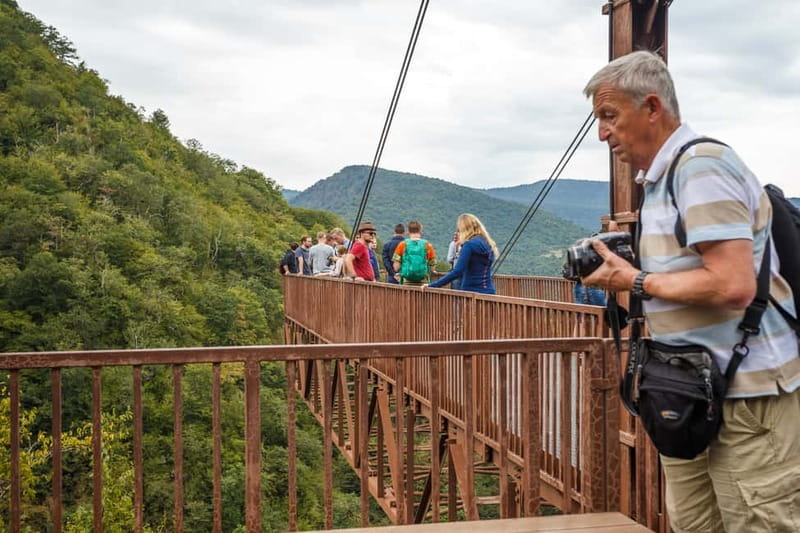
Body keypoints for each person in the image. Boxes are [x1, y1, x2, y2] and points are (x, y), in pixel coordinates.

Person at [581, 50, 800, 532]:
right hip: (690, 389)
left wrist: (632, 281)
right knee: (696, 525)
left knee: (756, 523)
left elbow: (731, 283)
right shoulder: (659, 180)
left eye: (609, 116)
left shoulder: (700, 165)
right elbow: (693, 273)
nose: (602, 134)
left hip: (747, 396)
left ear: (653, 107)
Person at [424, 214, 497, 294]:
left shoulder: (469, 245)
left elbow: (457, 271)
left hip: (472, 293)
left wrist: (432, 285)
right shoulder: (488, 244)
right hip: (489, 292)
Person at [392, 220, 436, 285]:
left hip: (406, 282)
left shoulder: (402, 244)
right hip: (423, 283)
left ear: (408, 231)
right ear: (420, 231)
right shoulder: (428, 245)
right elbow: (432, 268)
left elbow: (396, 267)